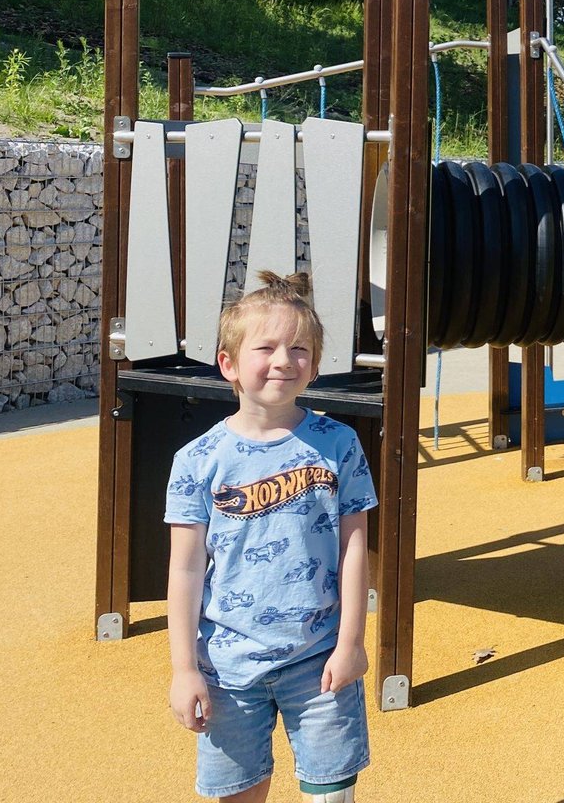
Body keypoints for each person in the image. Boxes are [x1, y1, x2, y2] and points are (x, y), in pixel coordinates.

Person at [165, 271, 377, 803]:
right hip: (228, 666)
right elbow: (186, 570)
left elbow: (355, 547)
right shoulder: (197, 461)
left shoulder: (339, 443)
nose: (284, 359)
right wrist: (183, 669)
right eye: (266, 347)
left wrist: (351, 642)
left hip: (320, 656)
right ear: (229, 363)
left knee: (329, 791)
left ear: (317, 362)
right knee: (237, 791)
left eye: (299, 348)